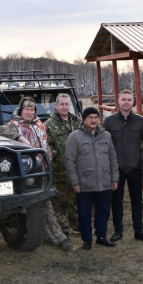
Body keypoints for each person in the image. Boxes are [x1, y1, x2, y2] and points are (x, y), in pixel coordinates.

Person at [0, 96, 73, 252]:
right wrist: (19, 137)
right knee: (45, 205)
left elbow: (45, 146)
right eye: (27, 109)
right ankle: (60, 239)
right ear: (21, 110)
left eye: (32, 109)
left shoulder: (40, 125)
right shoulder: (14, 125)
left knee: (45, 205)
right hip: (28, 175)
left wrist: (49, 163)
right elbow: (0, 131)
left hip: (44, 171)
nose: (30, 112)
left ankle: (49, 233)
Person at [65, 107, 119, 250]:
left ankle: (101, 237)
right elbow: (69, 161)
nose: (93, 120)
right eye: (90, 117)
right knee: (84, 213)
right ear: (84, 120)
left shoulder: (106, 136)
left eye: (96, 117)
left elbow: (113, 158)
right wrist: (75, 182)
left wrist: (115, 178)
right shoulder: (75, 137)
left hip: (104, 182)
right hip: (84, 184)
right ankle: (87, 240)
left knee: (103, 211)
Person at [103, 90, 143, 243]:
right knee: (116, 200)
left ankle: (139, 231)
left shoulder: (140, 121)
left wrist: (140, 158)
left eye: (129, 100)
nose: (126, 102)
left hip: (135, 168)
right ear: (118, 101)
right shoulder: (109, 122)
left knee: (137, 200)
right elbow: (104, 143)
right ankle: (118, 231)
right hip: (116, 168)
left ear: (133, 102)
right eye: (123, 99)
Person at [44, 93, 82, 236]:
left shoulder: (77, 122)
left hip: (77, 169)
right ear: (56, 105)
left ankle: (77, 224)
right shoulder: (49, 124)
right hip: (59, 170)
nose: (65, 107)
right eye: (62, 104)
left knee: (76, 199)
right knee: (61, 202)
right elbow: (47, 146)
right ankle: (64, 230)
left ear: (70, 105)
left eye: (67, 104)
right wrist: (59, 155)